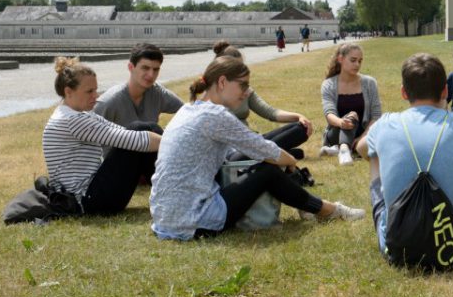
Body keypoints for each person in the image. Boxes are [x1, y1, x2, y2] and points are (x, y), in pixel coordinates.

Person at [149, 56, 364, 240]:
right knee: (268, 170)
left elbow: (248, 151)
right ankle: (328, 209)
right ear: (222, 82)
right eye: (243, 85)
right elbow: (266, 151)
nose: (246, 92)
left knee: (265, 162)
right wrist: (291, 162)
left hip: (163, 219)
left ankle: (309, 207)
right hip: (194, 222)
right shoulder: (216, 115)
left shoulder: (189, 109)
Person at [357, 53, 453, 265]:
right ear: (445, 91)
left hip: (398, 249)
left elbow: (361, 148)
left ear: (404, 92)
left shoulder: (385, 124)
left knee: (374, 153)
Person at [42, 57, 162, 215]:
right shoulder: (72, 120)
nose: (96, 96)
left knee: (141, 128)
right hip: (88, 201)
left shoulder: (75, 114)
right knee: (140, 131)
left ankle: (173, 190)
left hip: (90, 195)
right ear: (68, 92)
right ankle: (175, 191)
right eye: (89, 91)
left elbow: (119, 131)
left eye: (96, 90)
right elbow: (134, 140)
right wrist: (176, 140)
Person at [212, 41, 313, 156]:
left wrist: (298, 116)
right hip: (236, 146)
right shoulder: (213, 94)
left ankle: (272, 152)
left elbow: (269, 112)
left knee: (300, 128)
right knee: (295, 152)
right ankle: (275, 153)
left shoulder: (245, 90)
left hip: (252, 139)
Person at [93, 43, 183, 130]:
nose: (151, 75)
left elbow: (188, 111)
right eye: (145, 68)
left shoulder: (158, 93)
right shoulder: (108, 102)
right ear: (131, 67)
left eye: (155, 69)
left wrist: (169, 134)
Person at [319, 43, 381, 165]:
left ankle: (340, 148)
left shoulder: (370, 83)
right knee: (352, 115)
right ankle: (344, 150)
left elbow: (376, 115)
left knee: (353, 117)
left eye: (360, 61)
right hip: (336, 131)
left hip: (363, 132)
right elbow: (329, 113)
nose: (357, 64)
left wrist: (362, 137)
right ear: (340, 59)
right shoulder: (328, 84)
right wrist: (341, 123)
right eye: (353, 60)